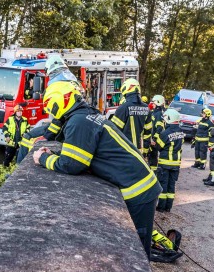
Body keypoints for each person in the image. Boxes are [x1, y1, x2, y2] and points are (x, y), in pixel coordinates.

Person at [33, 81, 162, 257]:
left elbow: (71, 165)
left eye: (49, 105)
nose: (49, 110)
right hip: (139, 185)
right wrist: (57, 152)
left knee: (137, 249)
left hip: (138, 190)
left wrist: (44, 158)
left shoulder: (78, 121)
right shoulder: (85, 115)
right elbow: (82, 151)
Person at [154, 109, 185, 212]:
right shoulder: (181, 132)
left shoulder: (165, 133)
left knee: (163, 184)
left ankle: (161, 207)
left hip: (165, 163)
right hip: (176, 164)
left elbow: (158, 147)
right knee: (171, 185)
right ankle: (168, 207)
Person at [110, 78, 151, 151]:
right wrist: (145, 151)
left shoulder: (123, 108)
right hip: (139, 152)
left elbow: (114, 131)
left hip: (125, 151)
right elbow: (148, 133)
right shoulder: (146, 108)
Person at [147, 95, 166, 171]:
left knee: (153, 156)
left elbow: (159, 128)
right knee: (150, 156)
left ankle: (154, 172)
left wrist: (154, 139)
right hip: (152, 138)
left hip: (154, 140)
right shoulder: (154, 112)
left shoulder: (159, 114)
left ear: (158, 103)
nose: (152, 104)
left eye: (154, 103)